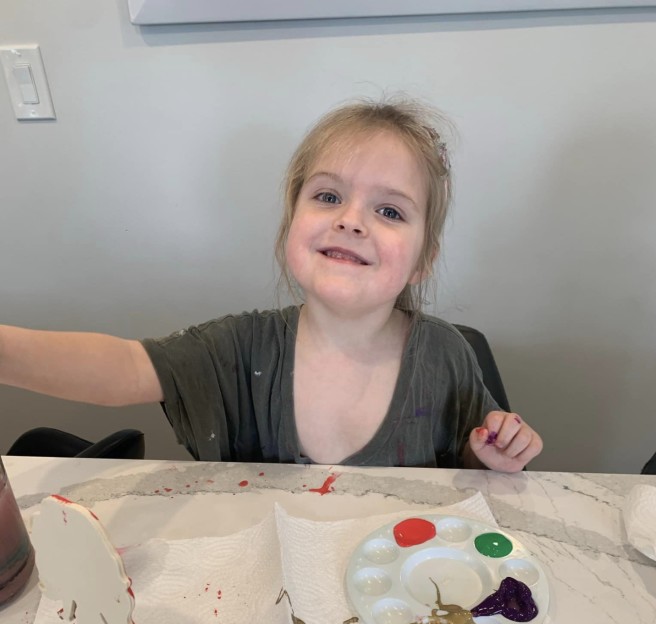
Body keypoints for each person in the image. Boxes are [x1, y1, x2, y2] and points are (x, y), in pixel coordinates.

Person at [0, 98, 542, 472]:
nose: (351, 220)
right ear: (291, 224)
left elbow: (468, 469)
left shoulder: (447, 355)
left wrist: (491, 455)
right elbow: (123, 368)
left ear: (424, 259)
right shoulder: (239, 349)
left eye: (389, 210)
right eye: (328, 197)